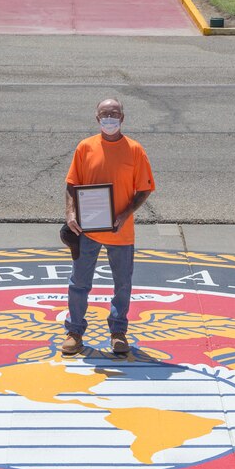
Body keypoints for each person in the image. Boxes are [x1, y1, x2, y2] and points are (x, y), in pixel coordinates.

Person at [62, 98, 156, 356]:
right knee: (79, 282)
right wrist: (70, 212)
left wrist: (125, 214)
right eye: (105, 114)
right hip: (86, 230)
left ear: (123, 118)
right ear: (97, 118)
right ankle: (74, 332)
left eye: (114, 113)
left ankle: (118, 332)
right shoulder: (85, 147)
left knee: (122, 285)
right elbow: (72, 184)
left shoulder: (135, 150)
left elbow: (145, 189)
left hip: (120, 232)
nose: (110, 118)